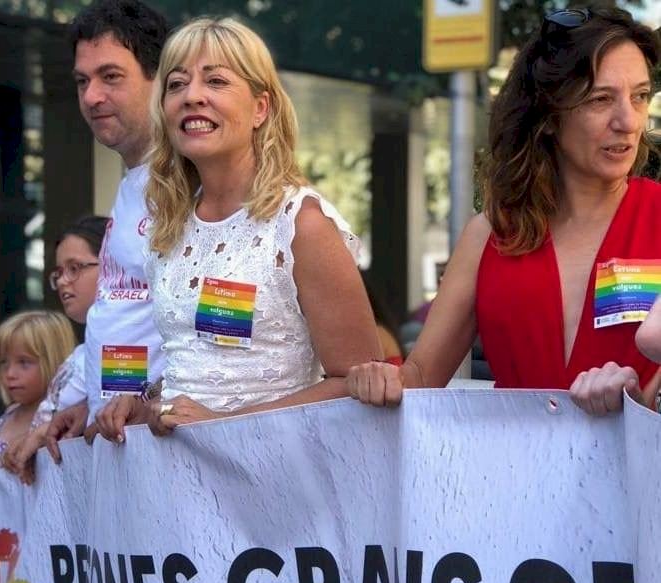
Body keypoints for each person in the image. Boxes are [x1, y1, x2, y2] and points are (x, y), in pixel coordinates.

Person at [348, 7, 661, 417]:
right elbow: (420, 378)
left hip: (641, 456)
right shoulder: (490, 235)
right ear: (549, 115)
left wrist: (643, 402)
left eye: (640, 96)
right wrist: (379, 378)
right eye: (601, 99)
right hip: (514, 458)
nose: (629, 121)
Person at [92, 17, 381, 442]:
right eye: (176, 84)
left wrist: (226, 426)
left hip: (273, 472)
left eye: (216, 81)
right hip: (175, 472)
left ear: (260, 108)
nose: (192, 96)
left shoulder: (301, 224)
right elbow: (195, 365)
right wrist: (145, 402)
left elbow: (357, 383)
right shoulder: (166, 226)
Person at [45, 0, 169, 458]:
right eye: (82, 81)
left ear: (160, 78)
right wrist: (88, 402)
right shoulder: (134, 180)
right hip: (119, 441)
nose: (91, 96)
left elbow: (223, 331)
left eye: (110, 76)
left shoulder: (193, 182)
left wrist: (151, 399)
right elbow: (130, 314)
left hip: (170, 446)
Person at [2, 217, 107, 483]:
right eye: (59, 272)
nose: (62, 281)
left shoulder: (132, 350)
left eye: (74, 268)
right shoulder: (81, 354)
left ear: (113, 265)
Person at [0, 312, 75, 467]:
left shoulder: (61, 417)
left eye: (24, 362)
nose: (10, 374)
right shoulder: (9, 414)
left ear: (53, 360)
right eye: (3, 363)